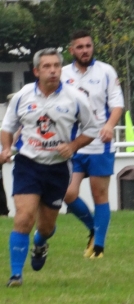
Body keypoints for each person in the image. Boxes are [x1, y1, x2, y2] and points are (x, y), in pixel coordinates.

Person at [0, 48, 97, 287]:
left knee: (46, 226)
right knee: (23, 217)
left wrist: (73, 145)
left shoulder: (75, 98)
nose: (53, 70)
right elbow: (7, 126)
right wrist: (5, 148)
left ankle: (41, 243)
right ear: (36, 71)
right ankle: (15, 275)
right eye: (47, 66)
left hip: (57, 168)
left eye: (56, 65)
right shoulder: (23, 96)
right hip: (27, 164)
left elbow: (92, 130)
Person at [61, 30, 124, 259]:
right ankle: (92, 228)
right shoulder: (62, 73)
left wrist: (109, 126)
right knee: (67, 193)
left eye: (88, 46)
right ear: (72, 50)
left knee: (100, 196)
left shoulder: (106, 71)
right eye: (80, 47)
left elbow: (117, 104)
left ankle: (98, 247)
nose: (85, 50)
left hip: (100, 144)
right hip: (74, 144)